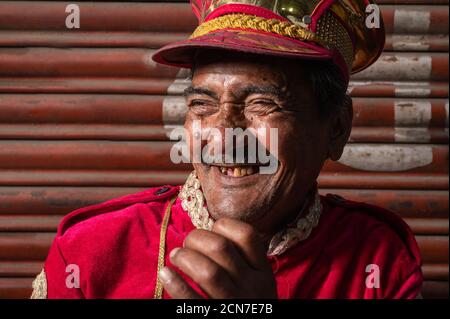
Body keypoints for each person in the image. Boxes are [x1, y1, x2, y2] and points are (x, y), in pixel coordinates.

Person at [31, 0, 423, 299]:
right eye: (203, 105)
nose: (224, 134)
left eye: (261, 104)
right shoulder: (90, 250)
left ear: (337, 127)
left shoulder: (379, 258)